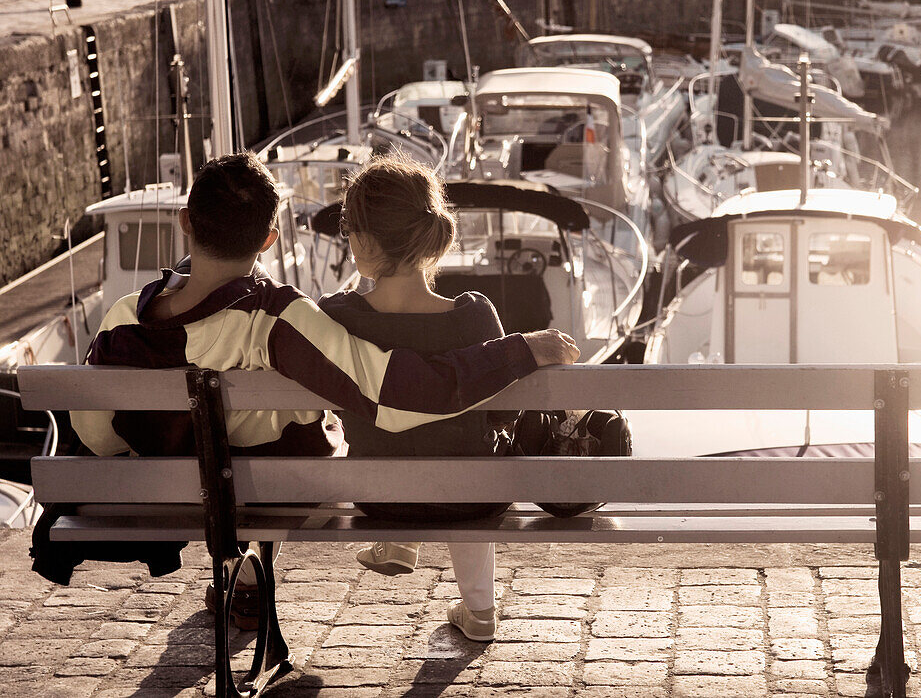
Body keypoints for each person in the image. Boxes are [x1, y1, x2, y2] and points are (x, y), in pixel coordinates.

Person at [40, 153, 578, 610]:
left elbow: (95, 435)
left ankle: (243, 587)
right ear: (271, 239)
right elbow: (393, 395)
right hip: (252, 497)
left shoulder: (122, 316)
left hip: (149, 496)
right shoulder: (278, 318)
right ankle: (251, 577)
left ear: (185, 222)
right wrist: (521, 350)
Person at [318, 155, 519, 642]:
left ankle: (398, 541)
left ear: (364, 241)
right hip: (470, 501)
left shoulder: (339, 316)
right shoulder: (472, 317)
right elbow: (506, 411)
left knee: (388, 431)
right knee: (463, 459)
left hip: (381, 500)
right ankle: (480, 610)